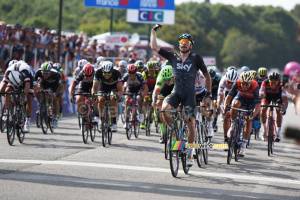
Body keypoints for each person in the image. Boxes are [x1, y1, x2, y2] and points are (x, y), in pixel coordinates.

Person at [151, 26, 212, 167]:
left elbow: (207, 75)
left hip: (190, 95)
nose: (183, 43)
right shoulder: (173, 57)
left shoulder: (196, 58)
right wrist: (153, 31)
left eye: (186, 41)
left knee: (190, 122)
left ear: (190, 45)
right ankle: (174, 131)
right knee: (164, 109)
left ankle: (190, 152)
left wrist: (208, 94)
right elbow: (154, 47)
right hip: (176, 92)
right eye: (181, 41)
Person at [224, 71, 261, 157]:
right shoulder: (237, 82)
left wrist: (253, 115)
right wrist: (226, 107)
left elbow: (258, 105)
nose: (244, 86)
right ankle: (233, 124)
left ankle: (243, 145)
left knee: (248, 120)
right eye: (243, 84)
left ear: (250, 83)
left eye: (246, 84)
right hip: (241, 97)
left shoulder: (255, 86)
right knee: (234, 105)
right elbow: (228, 97)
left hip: (251, 101)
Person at [1, 61, 35, 132]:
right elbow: (3, 85)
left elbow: (27, 85)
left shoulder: (25, 70)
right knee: (7, 91)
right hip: (14, 80)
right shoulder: (9, 70)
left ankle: (27, 121)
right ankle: (7, 113)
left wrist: (24, 96)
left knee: (29, 98)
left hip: (27, 81)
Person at [92, 61, 123, 132]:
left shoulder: (117, 73)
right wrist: (94, 95)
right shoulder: (98, 72)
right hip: (103, 85)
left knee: (113, 98)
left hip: (113, 85)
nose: (106, 75)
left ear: (112, 71)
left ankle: (114, 122)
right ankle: (101, 119)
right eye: (105, 73)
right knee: (100, 99)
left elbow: (120, 89)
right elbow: (94, 87)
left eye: (108, 73)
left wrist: (119, 96)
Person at [259, 72, 288, 142]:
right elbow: (261, 96)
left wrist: (284, 109)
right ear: (269, 81)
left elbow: (285, 100)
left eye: (275, 83)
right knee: (263, 109)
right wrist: (258, 105)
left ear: (278, 81)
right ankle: (264, 129)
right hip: (267, 96)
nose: (273, 84)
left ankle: (278, 133)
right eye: (272, 82)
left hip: (278, 96)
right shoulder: (264, 83)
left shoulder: (281, 85)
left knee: (278, 110)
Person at [35, 61, 63, 128]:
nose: (45, 75)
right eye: (43, 73)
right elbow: (34, 84)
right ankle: (41, 104)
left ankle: (55, 118)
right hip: (43, 84)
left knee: (55, 100)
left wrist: (55, 93)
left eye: (47, 73)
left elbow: (61, 87)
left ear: (50, 71)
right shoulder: (38, 72)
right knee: (37, 91)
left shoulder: (56, 74)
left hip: (54, 85)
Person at [152, 65, 175, 143]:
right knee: (159, 104)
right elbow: (156, 91)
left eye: (168, 79)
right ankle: (163, 133)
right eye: (165, 79)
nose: (167, 81)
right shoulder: (161, 78)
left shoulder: (177, 76)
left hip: (176, 87)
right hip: (165, 89)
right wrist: (154, 101)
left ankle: (178, 130)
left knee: (178, 107)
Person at [121, 64, 148, 129]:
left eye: (133, 73)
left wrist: (142, 95)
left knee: (139, 98)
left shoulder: (139, 76)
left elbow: (146, 88)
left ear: (135, 72)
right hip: (130, 88)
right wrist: (122, 93)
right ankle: (126, 121)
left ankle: (141, 113)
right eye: (130, 73)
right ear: (128, 72)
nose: (131, 75)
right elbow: (120, 85)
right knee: (127, 100)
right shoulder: (126, 76)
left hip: (139, 87)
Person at [216, 69, 239, 146]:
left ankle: (239, 133)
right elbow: (220, 95)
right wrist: (219, 106)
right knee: (226, 116)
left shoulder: (239, 81)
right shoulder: (223, 80)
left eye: (232, 83)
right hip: (226, 94)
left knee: (238, 111)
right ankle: (225, 138)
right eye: (228, 82)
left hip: (236, 93)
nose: (229, 84)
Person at [141, 61, 159, 129]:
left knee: (155, 102)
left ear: (155, 69)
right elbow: (141, 82)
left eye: (152, 70)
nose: (151, 72)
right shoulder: (144, 73)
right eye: (150, 70)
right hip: (147, 88)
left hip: (155, 88)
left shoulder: (158, 73)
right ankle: (143, 121)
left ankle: (155, 113)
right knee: (145, 101)